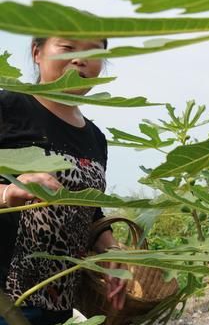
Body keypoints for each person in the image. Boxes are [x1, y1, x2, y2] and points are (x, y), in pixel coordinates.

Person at [0, 37, 126, 325]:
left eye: (93, 50)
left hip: (59, 304)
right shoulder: (8, 107)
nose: (80, 58)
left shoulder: (96, 137)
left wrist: (111, 251)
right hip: (7, 299)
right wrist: (9, 192)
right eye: (67, 47)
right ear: (37, 53)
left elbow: (87, 210)